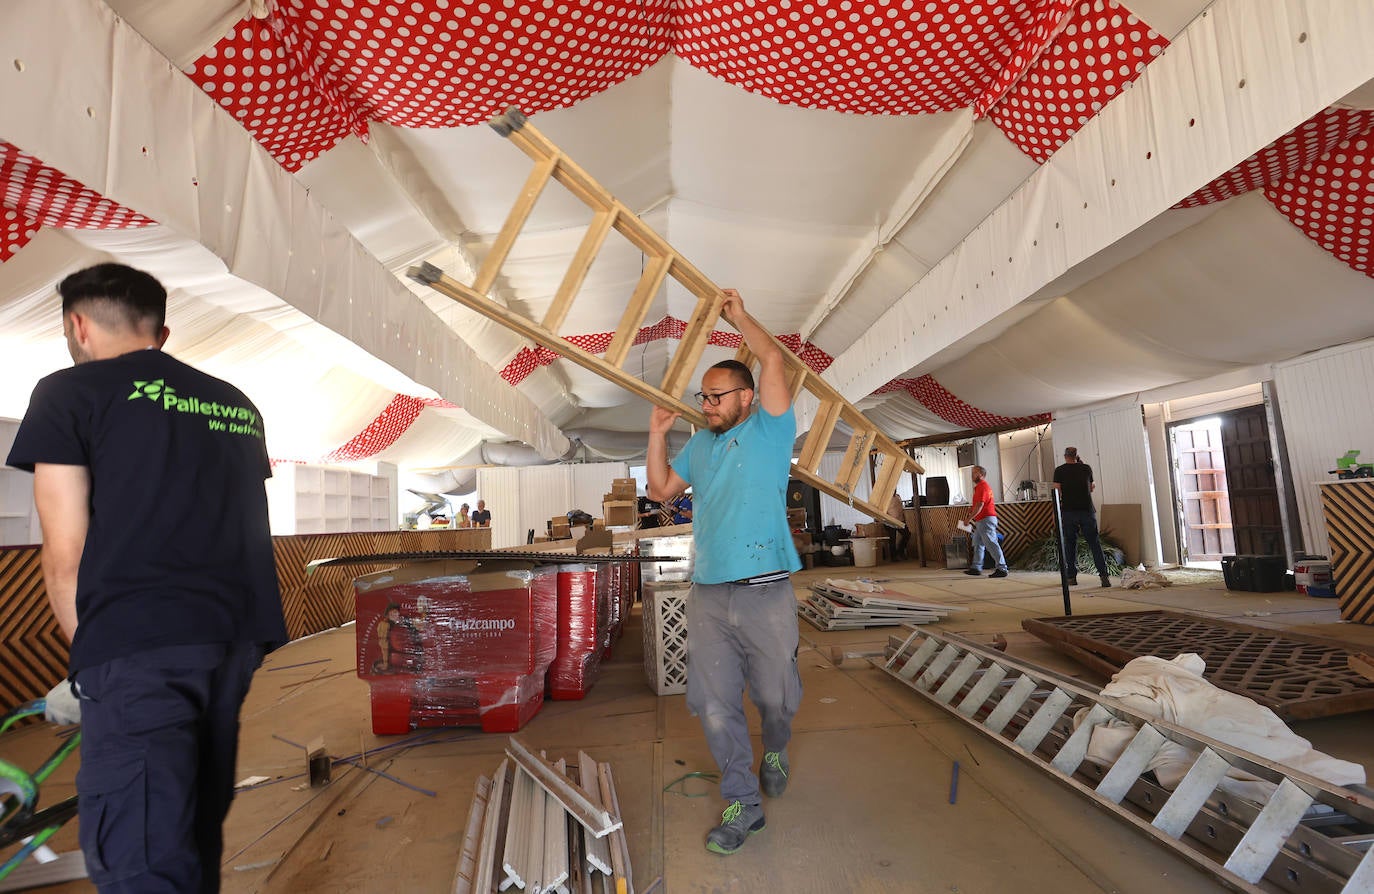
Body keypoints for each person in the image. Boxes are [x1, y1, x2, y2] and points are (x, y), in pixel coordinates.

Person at [5, 263, 288, 893]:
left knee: (139, 847)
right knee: (192, 821)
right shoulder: (235, 402)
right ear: (161, 331)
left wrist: (88, 658)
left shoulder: (69, 393)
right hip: (234, 637)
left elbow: (65, 550)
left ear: (77, 325)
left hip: (138, 645)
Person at [647, 288, 801, 857]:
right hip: (709, 594)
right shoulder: (701, 446)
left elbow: (776, 359)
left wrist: (740, 318)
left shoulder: (770, 432)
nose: (706, 405)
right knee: (714, 704)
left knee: (776, 697)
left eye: (715, 397)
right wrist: (659, 435)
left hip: (766, 593)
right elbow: (662, 490)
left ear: (747, 397)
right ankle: (743, 803)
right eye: (702, 397)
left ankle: (776, 746)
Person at [1054, 446, 1112, 588]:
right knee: (1094, 543)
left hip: (1069, 511)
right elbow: (1091, 487)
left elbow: (1056, 491)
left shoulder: (1060, 471)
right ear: (1076, 455)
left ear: (1065, 456)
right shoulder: (1086, 468)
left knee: (1070, 544)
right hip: (1087, 510)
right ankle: (1104, 576)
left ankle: (1072, 577)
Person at [964, 465, 1009, 578]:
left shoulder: (983, 487)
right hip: (982, 520)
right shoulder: (980, 487)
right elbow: (978, 505)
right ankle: (976, 567)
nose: (972, 475)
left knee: (991, 543)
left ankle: (1002, 568)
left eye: (975, 473)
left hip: (985, 519)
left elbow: (980, 505)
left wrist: (969, 518)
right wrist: (971, 513)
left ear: (982, 475)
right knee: (978, 543)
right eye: (972, 473)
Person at [886, 491, 910, 561]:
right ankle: (893, 557)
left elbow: (901, 508)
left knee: (907, 535)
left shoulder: (898, 496)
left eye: (895, 488)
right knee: (892, 539)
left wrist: (904, 519)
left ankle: (900, 551)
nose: (894, 490)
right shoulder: (887, 499)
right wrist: (887, 520)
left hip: (900, 520)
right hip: (891, 521)